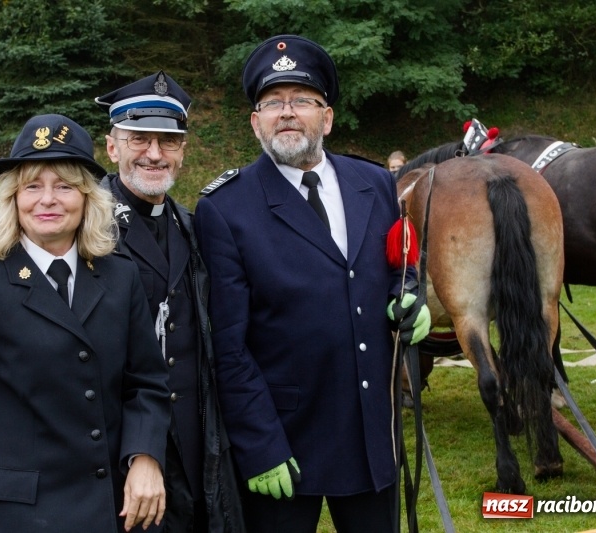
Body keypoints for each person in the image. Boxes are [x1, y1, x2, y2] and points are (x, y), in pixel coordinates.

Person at [193, 35, 431, 533]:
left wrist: (405, 293)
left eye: (302, 100)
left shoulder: (375, 183)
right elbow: (228, 347)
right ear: (255, 122)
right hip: (285, 443)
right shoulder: (225, 208)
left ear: (326, 118)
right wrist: (259, 445)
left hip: (370, 431)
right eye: (272, 102)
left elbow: (396, 264)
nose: (287, 112)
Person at [0, 114, 171, 533]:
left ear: (87, 197)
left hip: (118, 509)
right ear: (13, 198)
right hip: (23, 515)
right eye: (32, 186)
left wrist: (145, 457)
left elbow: (146, 381)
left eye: (64, 185)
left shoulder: (120, 276)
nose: (47, 199)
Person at [95, 71, 245, 532]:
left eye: (169, 141)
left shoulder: (191, 224)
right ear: (112, 146)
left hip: (198, 439)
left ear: (183, 151)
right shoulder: (83, 227)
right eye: (139, 139)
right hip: (118, 446)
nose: (155, 154)